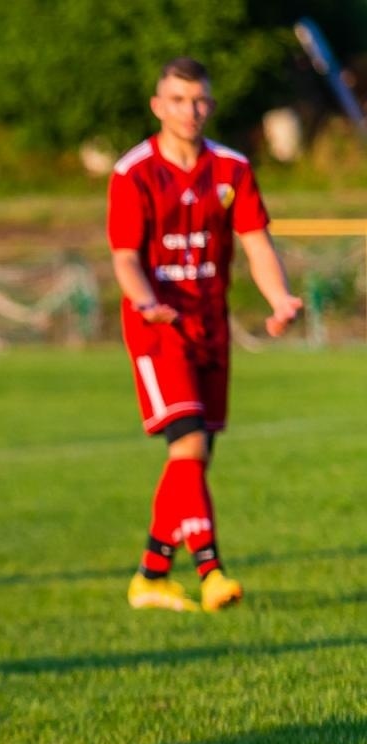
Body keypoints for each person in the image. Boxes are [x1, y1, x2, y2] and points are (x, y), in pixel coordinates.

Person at [108, 56, 303, 612]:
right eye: (177, 100)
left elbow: (257, 241)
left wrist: (278, 298)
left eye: (199, 101)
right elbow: (125, 257)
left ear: (210, 105)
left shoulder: (232, 170)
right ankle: (212, 572)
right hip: (157, 329)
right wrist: (145, 301)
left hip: (209, 327)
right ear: (157, 106)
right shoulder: (134, 172)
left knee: (193, 457)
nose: (189, 111)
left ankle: (150, 574)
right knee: (189, 443)